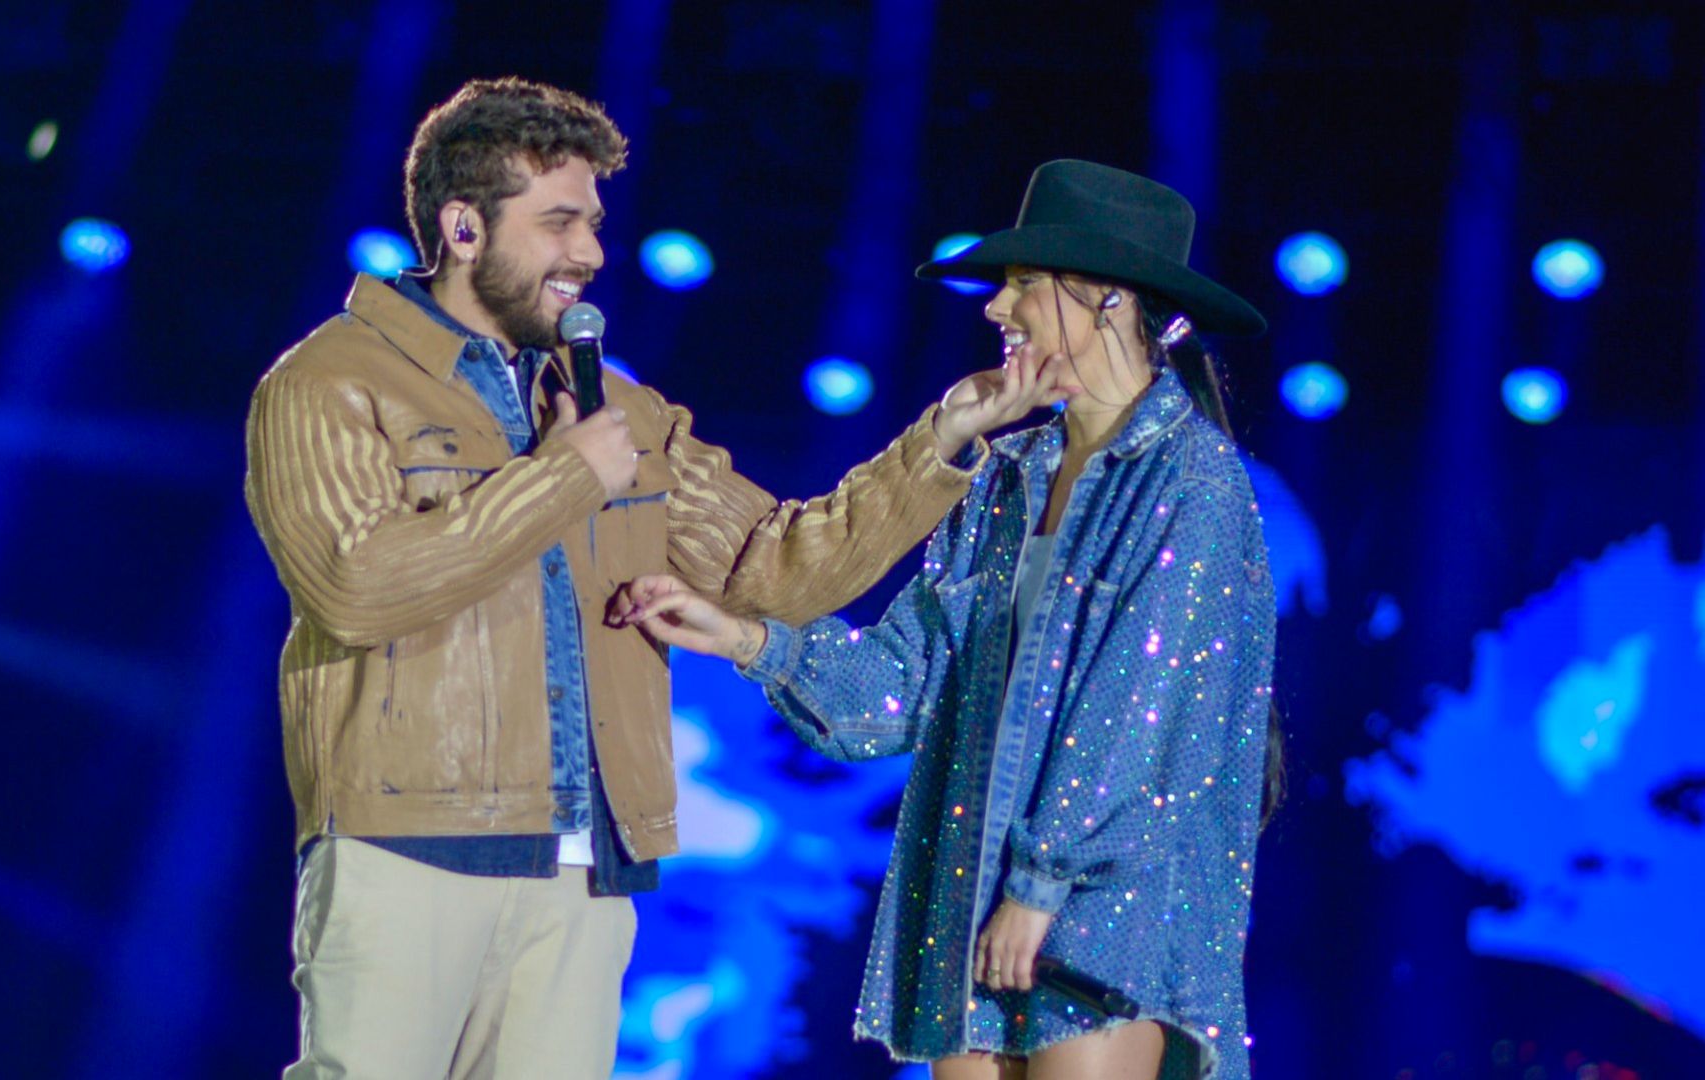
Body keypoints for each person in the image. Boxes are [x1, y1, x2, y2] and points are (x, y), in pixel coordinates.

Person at [243, 77, 1055, 1079]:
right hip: (409, 842)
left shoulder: (613, 408)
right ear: (461, 227)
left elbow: (777, 572)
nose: (588, 253)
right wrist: (563, 476)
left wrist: (943, 440)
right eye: (558, 223)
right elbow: (356, 587)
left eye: (593, 223)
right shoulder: (329, 382)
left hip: (588, 866)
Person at [616, 160, 1278, 1080]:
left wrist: (1044, 884)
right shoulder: (1005, 478)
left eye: (1024, 285)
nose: (997, 309)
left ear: (1109, 300)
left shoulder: (1194, 482)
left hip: (1101, 914)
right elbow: (904, 689)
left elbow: (1145, 708)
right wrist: (742, 638)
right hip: (964, 889)